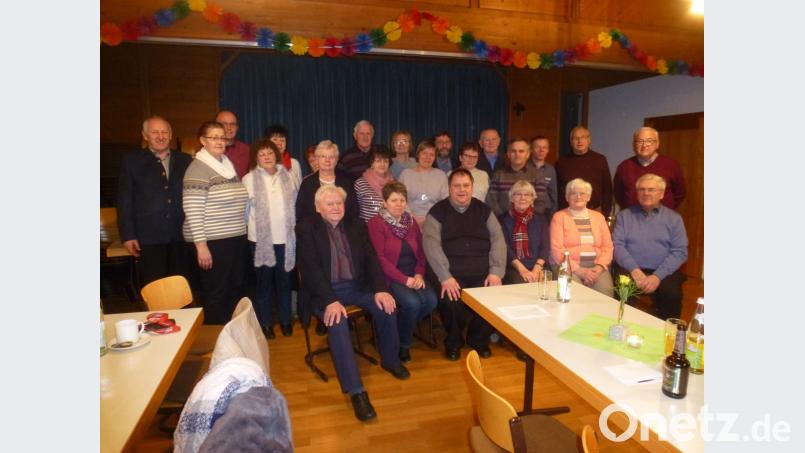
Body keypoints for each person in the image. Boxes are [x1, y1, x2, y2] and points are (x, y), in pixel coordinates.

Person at [296, 185, 409, 422]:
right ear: (318, 208)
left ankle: (390, 360)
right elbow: (309, 269)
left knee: (387, 307)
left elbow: (371, 259)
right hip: (323, 292)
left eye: (339, 203)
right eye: (330, 204)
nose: (336, 207)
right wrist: (330, 300)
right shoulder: (306, 228)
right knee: (337, 322)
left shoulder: (357, 225)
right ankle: (356, 392)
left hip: (357, 288)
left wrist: (380, 289)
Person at [423, 169, 506, 361]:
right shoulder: (437, 212)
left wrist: (496, 272)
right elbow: (431, 245)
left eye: (466, 186)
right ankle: (453, 342)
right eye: (457, 186)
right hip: (451, 272)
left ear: (472, 187)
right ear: (449, 188)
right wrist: (445, 276)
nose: (462, 190)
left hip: (482, 270)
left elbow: (498, 240)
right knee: (451, 299)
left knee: (493, 296)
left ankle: (478, 339)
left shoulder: (484, 210)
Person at [183, 121, 249, 324]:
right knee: (216, 293)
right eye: (214, 137)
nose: (219, 141)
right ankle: (215, 340)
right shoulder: (198, 169)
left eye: (222, 137)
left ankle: (231, 335)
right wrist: (201, 246)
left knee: (234, 288)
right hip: (212, 241)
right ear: (203, 141)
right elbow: (192, 210)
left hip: (234, 237)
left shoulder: (226, 165)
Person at [117, 116, 193, 287]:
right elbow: (124, 200)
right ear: (145, 135)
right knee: (154, 288)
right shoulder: (131, 161)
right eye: (155, 132)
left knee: (181, 288)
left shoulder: (186, 160)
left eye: (164, 132)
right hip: (148, 237)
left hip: (180, 236)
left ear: (171, 134)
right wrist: (128, 235)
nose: (160, 136)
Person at [367, 182, 438, 364]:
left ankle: (396, 329)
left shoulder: (410, 221)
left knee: (431, 301)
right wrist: (404, 280)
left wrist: (419, 274)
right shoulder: (376, 223)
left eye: (402, 200)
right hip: (391, 276)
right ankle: (404, 344)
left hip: (414, 274)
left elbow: (421, 252)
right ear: (384, 202)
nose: (399, 204)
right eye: (393, 200)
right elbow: (379, 259)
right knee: (413, 303)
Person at [242, 138, 298, 339]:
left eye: (270, 153)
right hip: (261, 242)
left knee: (284, 283)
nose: (266, 157)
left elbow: (294, 206)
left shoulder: (288, 177)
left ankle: (285, 321)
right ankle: (265, 323)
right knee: (263, 285)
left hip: (285, 240)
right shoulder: (248, 179)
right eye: (261, 154)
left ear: (277, 155)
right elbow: (244, 212)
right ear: (256, 158)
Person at [613, 174, 688, 320]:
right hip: (630, 268)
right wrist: (634, 269)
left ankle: (667, 333)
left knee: (671, 294)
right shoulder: (624, 216)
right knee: (623, 290)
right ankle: (622, 326)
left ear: (661, 193)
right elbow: (617, 245)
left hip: (663, 271)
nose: (646, 193)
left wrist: (657, 276)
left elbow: (680, 252)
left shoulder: (674, 219)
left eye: (651, 189)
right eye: (642, 189)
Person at [550, 178, 614, 296]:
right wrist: (579, 271)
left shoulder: (599, 217)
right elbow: (557, 250)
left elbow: (608, 247)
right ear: (567, 197)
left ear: (589, 197)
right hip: (568, 266)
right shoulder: (559, 217)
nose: (578, 197)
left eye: (582, 193)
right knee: (574, 293)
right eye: (573, 193)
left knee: (606, 293)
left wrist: (599, 267)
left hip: (596, 266)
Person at [614, 127, 686, 210]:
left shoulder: (672, 165)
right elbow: (618, 195)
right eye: (640, 141)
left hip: (662, 219)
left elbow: (680, 194)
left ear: (657, 144)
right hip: (632, 219)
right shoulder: (624, 167)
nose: (644, 145)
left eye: (649, 141)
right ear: (634, 145)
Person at [498, 181, 550, 284]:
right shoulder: (502, 219)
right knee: (519, 283)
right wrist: (523, 270)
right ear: (512, 198)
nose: (523, 198)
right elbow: (505, 248)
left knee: (549, 283)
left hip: (538, 266)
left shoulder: (541, 219)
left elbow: (545, 247)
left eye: (527, 194)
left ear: (532, 199)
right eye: (518, 194)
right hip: (513, 268)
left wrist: (536, 270)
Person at [295, 140, 359, 223]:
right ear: (317, 159)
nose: (327, 160)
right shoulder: (307, 183)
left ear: (336, 160)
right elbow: (301, 214)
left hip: (343, 231)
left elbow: (354, 211)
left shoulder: (347, 181)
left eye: (331, 157)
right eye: (323, 156)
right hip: (315, 232)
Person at [555, 126, 612, 217]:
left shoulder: (600, 160)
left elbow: (607, 189)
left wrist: (605, 214)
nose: (579, 141)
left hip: (595, 212)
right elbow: (557, 190)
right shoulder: (561, 162)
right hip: (568, 213)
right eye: (576, 138)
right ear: (570, 141)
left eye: (583, 137)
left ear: (589, 140)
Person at [486, 137, 541, 216]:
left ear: (528, 154)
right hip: (503, 223)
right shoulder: (498, 175)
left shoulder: (537, 175)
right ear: (508, 154)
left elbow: (540, 203)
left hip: (530, 222)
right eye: (513, 151)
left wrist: (525, 219)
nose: (517, 154)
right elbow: (491, 201)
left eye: (521, 151)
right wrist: (505, 218)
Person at [398, 140, 449, 225]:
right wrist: (412, 218)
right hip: (408, 220)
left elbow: (445, 202)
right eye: (424, 153)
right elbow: (399, 199)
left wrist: (429, 219)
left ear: (435, 157)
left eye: (431, 155)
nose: (427, 157)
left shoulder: (441, 175)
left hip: (435, 221)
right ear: (418, 154)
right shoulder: (406, 174)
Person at [354, 147, 395, 222]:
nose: (382, 164)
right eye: (378, 161)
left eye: (385, 161)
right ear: (371, 163)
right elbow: (355, 211)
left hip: (390, 227)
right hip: (367, 229)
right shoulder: (360, 183)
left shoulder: (394, 183)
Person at [527, 135, 559, 217]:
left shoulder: (550, 169)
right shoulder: (524, 167)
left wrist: (553, 213)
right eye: (537, 147)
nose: (541, 150)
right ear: (531, 149)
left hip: (546, 212)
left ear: (548, 150)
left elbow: (553, 193)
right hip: (526, 209)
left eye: (544, 147)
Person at [216, 110, 250, 179]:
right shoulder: (207, 151)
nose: (229, 128)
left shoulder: (246, 150)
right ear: (215, 126)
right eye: (224, 124)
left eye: (232, 124)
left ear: (237, 128)